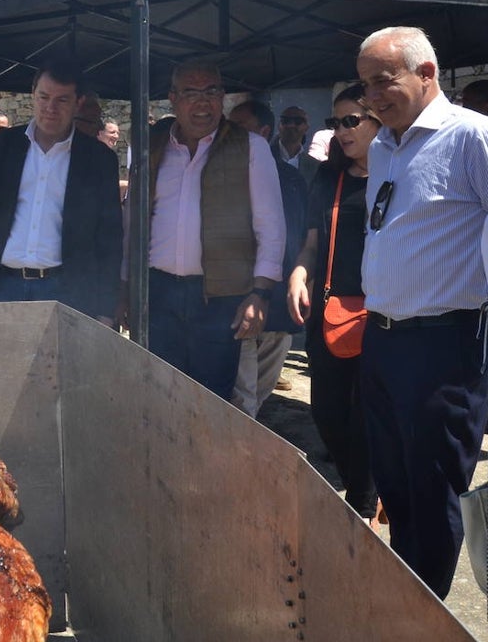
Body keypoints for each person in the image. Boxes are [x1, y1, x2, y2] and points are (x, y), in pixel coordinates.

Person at [356, 26, 488, 598]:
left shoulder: (471, 137)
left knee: (434, 494)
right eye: (365, 87)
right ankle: (404, 603)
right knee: (397, 487)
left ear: (427, 73)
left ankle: (419, 619)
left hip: (444, 344)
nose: (373, 97)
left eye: (383, 82)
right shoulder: (384, 144)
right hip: (382, 340)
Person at [137, 62, 286, 398]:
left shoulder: (250, 147)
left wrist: (260, 294)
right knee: (160, 390)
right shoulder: (153, 145)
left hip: (220, 299)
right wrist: (128, 287)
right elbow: (133, 220)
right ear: (173, 98)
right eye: (192, 92)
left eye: (212, 92)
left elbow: (271, 226)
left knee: (210, 397)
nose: (203, 103)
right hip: (158, 294)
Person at [0, 58, 122, 321]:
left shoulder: (99, 160)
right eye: (44, 97)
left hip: (66, 291)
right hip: (1, 285)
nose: (50, 108)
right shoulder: (3, 146)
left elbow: (109, 239)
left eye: (62, 100)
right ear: (33, 94)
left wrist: (105, 308)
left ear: (78, 102)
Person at [286, 84, 380, 525]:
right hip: (331, 311)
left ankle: (360, 505)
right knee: (327, 415)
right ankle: (365, 488)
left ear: (378, 119)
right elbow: (311, 243)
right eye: (335, 122)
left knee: (366, 418)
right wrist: (299, 273)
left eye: (351, 120)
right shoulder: (329, 176)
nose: (341, 131)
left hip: (386, 317)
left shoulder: (397, 172)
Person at [227, 100, 307, 416]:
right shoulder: (218, 174)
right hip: (237, 297)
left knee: (261, 388)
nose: (228, 134)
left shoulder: (290, 178)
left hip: (279, 300)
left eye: (238, 127)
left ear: (262, 132)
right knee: (241, 393)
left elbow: (301, 235)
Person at [272, 106, 320, 184]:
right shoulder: (263, 157)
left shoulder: (315, 166)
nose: (291, 125)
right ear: (279, 125)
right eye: (286, 121)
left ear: (306, 127)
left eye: (298, 121)